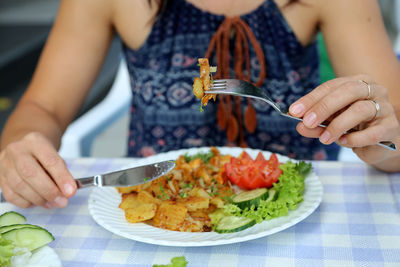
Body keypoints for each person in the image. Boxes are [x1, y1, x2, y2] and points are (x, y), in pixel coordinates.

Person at [1, 0, 400, 209]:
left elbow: (394, 133)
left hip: (292, 211)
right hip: (157, 206)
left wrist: (382, 136)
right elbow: (43, 107)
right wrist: (22, 150)